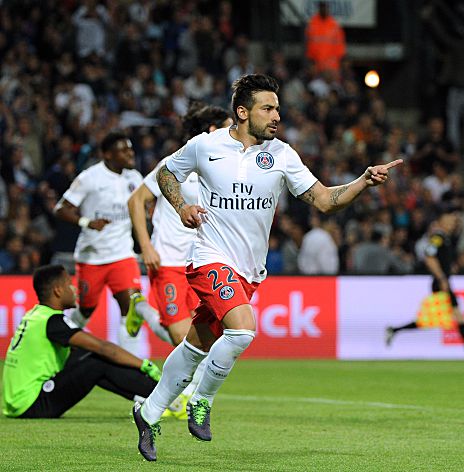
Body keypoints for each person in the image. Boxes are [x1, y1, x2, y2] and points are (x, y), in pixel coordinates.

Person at [131, 74, 402, 461]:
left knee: (194, 346)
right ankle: (201, 401)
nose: (277, 116)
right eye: (268, 108)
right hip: (209, 258)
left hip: (249, 271)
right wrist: (182, 207)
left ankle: (148, 413)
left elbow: (325, 200)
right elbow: (165, 174)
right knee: (243, 330)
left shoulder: (283, 155)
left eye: (277, 109)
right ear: (242, 112)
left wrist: (363, 181)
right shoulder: (205, 146)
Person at [126, 102, 233, 417]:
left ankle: (141, 309)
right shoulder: (175, 163)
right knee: (180, 335)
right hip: (168, 261)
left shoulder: (224, 170)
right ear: (212, 130)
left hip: (202, 262)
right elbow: (136, 200)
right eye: (229, 127)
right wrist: (145, 245)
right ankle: (179, 397)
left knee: (200, 337)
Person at [2, 265, 160, 419]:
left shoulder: (35, 315)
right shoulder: (53, 321)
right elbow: (103, 348)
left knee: (87, 357)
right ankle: (161, 396)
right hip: (33, 404)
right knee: (97, 360)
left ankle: (152, 398)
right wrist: (143, 364)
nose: (74, 289)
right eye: (69, 284)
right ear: (58, 291)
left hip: (19, 402)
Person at [53, 131, 154, 354]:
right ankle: (60, 343)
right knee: (86, 310)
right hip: (93, 256)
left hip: (123, 255)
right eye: (123, 150)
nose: (130, 153)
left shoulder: (134, 177)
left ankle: (130, 363)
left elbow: (144, 207)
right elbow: (60, 209)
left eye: (130, 149)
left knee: (131, 309)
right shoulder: (90, 178)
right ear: (108, 154)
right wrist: (87, 222)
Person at [385, 210, 464, 359]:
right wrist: (441, 278)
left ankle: (394, 330)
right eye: (449, 220)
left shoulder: (445, 238)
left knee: (436, 319)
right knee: (445, 317)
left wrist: (451, 268)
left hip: (443, 282)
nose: (452, 223)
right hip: (440, 283)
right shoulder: (438, 237)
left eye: (453, 221)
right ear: (440, 222)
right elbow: (429, 256)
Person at [305, 1, 346, 74]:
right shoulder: (312, 24)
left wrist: (340, 63)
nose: (324, 9)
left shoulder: (334, 25)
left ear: (328, 8)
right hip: (316, 67)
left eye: (325, 7)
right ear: (319, 8)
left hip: (331, 68)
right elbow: (308, 46)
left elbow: (340, 48)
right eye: (322, 7)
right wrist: (311, 63)